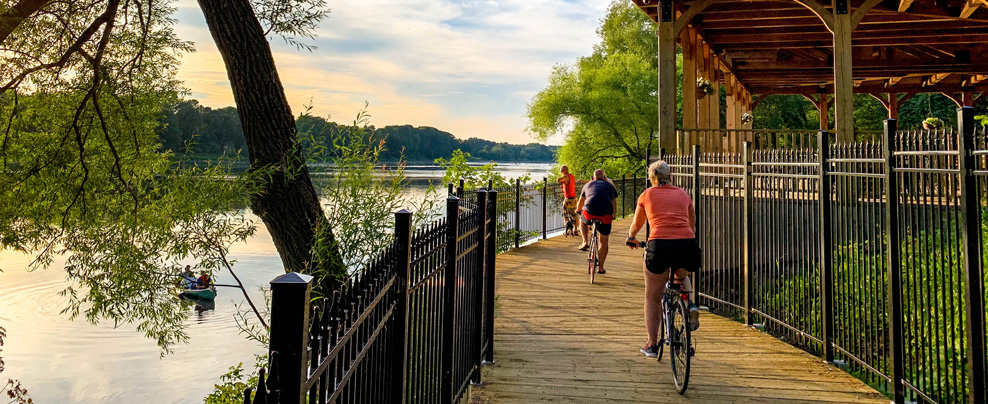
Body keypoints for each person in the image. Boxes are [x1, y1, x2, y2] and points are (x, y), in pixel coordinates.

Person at [626, 160, 700, 357]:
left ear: (652, 179)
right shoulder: (684, 194)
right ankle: (689, 304)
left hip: (659, 245)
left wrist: (631, 238)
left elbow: (636, 224)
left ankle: (651, 344)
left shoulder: (647, 195)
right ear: (671, 177)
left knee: (652, 295)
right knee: (680, 272)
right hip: (685, 244)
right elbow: (692, 224)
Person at [576, 169, 617, 274]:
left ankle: (585, 241)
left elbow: (581, 200)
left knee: (582, 220)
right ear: (604, 177)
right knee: (604, 241)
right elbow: (613, 202)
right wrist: (614, 214)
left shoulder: (588, 185)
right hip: (605, 214)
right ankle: (601, 267)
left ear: (593, 177)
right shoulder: (610, 186)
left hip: (590, 212)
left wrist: (578, 210)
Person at [557, 165, 579, 234]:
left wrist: (561, 179)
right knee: (574, 214)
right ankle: (575, 230)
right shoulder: (572, 176)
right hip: (574, 198)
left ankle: (568, 231)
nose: (561, 173)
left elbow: (559, 180)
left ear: (564, 171)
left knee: (565, 214)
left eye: (561, 171)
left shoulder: (566, 177)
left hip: (568, 199)